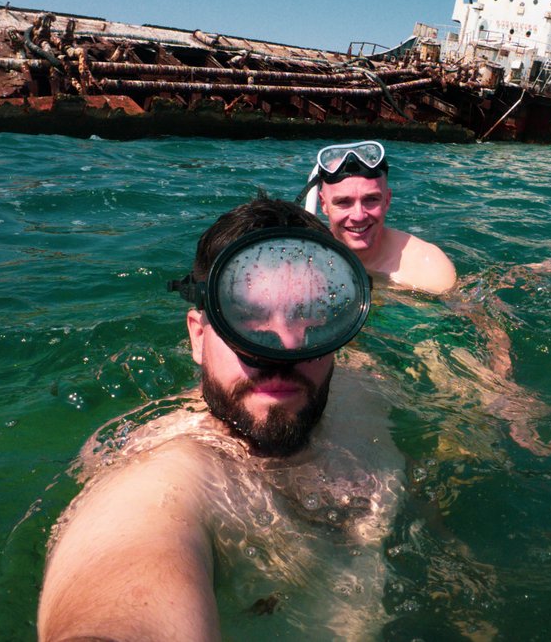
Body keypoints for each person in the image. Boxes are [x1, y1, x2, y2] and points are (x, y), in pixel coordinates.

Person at [38, 194, 405, 641]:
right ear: (197, 336)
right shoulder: (171, 473)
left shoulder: (361, 385)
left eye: (310, 318)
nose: (284, 349)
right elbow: (132, 566)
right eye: (245, 318)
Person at [298, 140, 456, 295]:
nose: (358, 216)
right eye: (344, 202)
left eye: (371, 199)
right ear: (323, 204)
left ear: (387, 201)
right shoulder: (301, 260)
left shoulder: (428, 270)